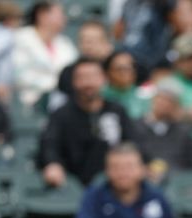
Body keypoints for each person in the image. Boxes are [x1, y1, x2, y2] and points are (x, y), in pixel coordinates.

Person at [39, 58, 135, 187]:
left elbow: (132, 143)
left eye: (93, 76)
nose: (88, 83)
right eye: (82, 77)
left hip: (113, 182)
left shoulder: (117, 110)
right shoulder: (61, 114)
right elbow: (49, 144)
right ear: (73, 81)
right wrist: (53, 164)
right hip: (71, 182)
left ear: (104, 79)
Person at [132, 76, 192, 184]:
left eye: (170, 101)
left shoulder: (184, 131)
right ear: (154, 99)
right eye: (161, 98)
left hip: (177, 182)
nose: (164, 104)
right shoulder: (136, 127)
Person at [12, 0, 77, 106]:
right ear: (42, 15)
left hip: (62, 99)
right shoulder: (20, 38)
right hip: (28, 101)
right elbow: (19, 74)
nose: (64, 19)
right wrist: (55, 85)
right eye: (59, 15)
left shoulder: (65, 42)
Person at [57, 20, 114, 98]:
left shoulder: (116, 70)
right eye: (83, 40)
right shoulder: (68, 72)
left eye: (92, 41)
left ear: (106, 43)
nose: (87, 46)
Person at [102, 49, 151, 119]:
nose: (124, 73)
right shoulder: (102, 95)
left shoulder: (144, 95)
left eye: (128, 68)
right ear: (108, 72)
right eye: (119, 69)